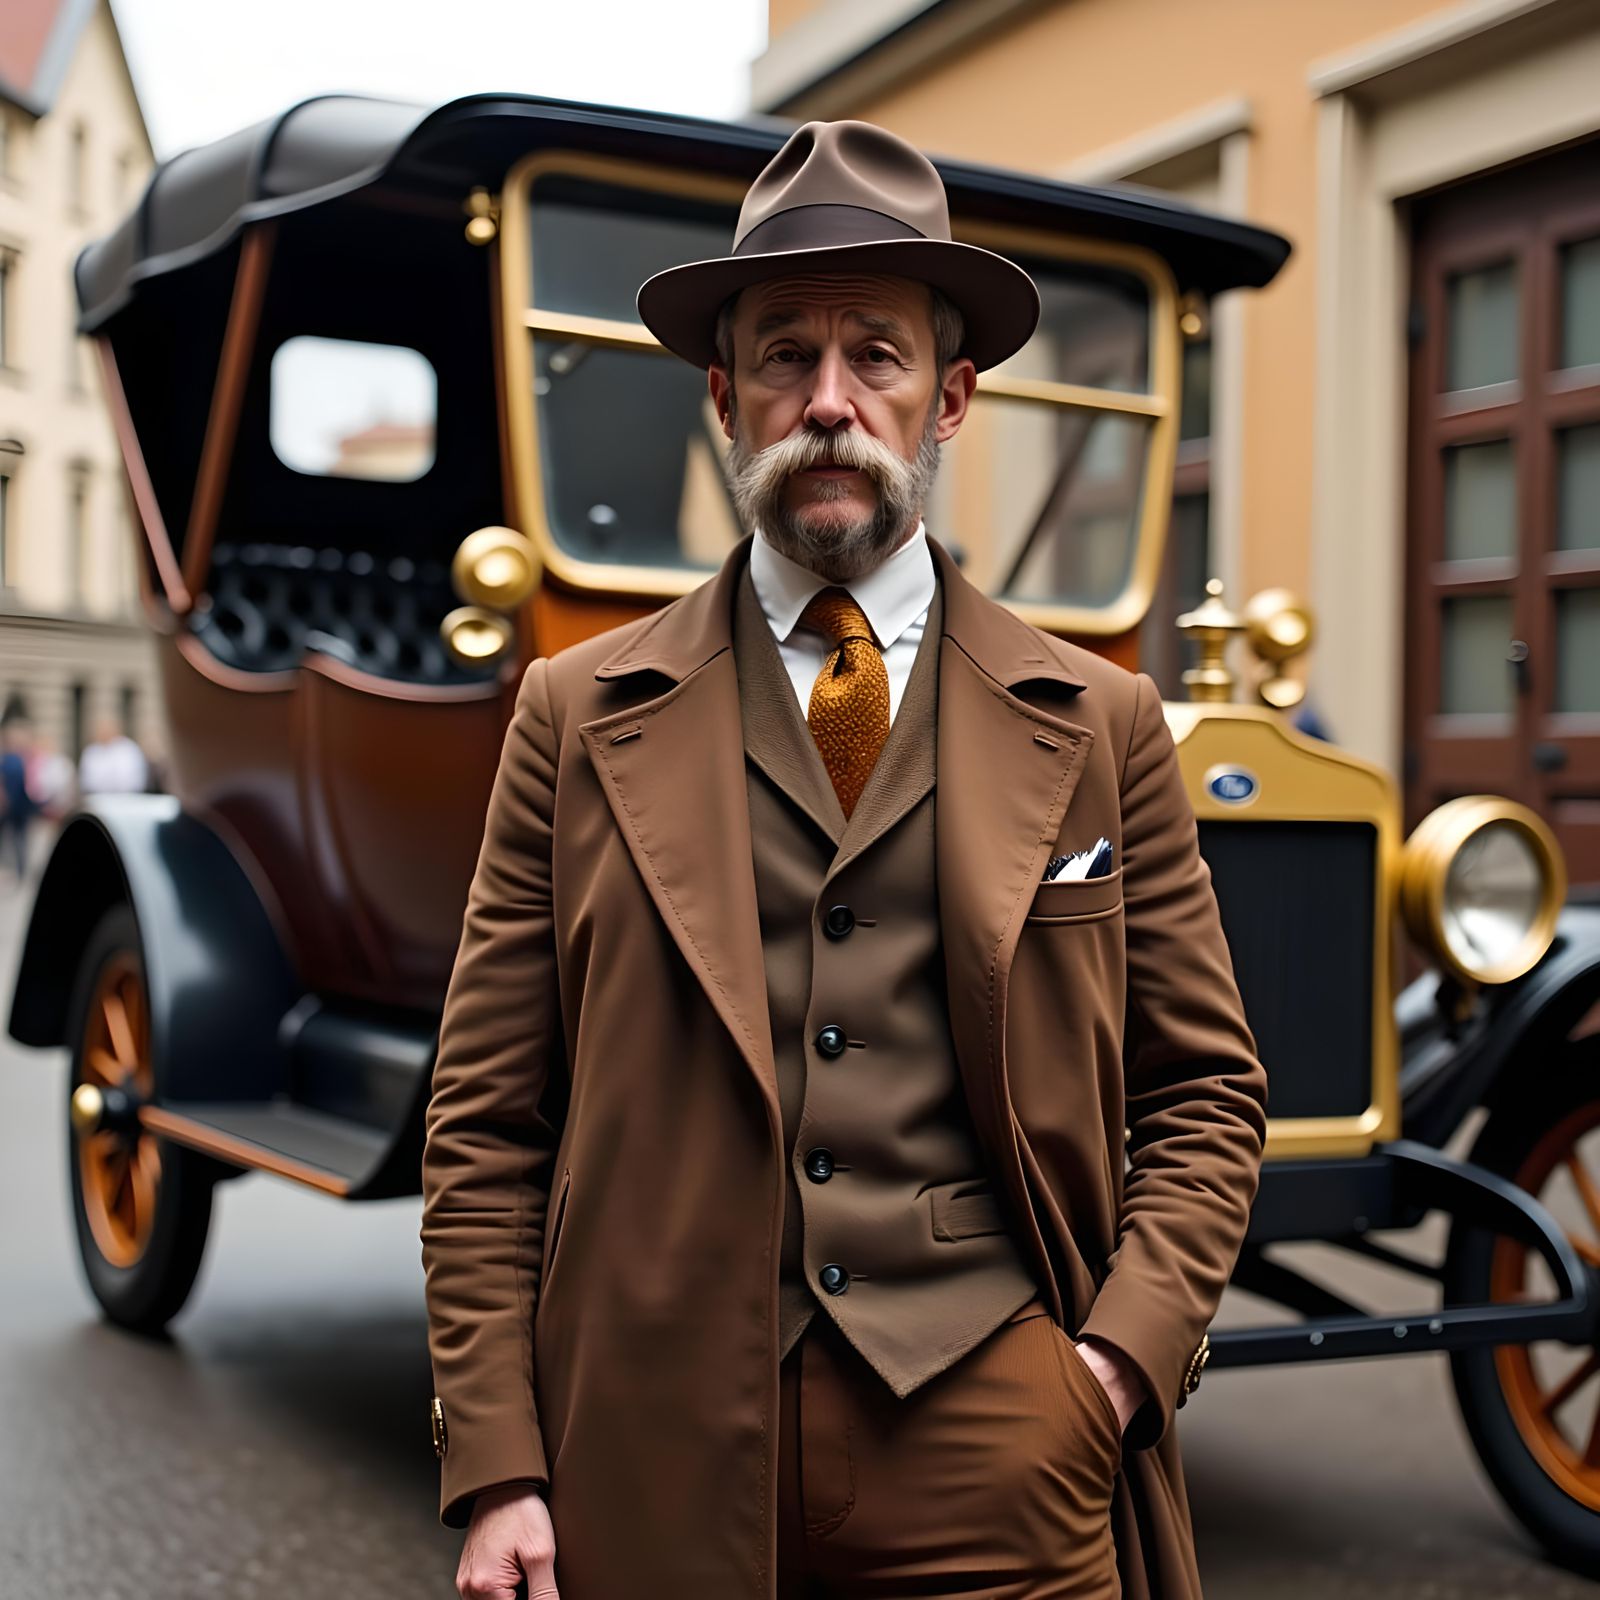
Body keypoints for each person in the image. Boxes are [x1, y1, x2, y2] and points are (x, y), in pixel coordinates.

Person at [420, 120, 1268, 1600]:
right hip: (654, 1446)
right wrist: (498, 1463)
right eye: (784, 358)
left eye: (874, 356)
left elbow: (1205, 1091)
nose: (829, 402)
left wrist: (1114, 1372)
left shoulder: (1104, 720)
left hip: (1004, 1455)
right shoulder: (573, 713)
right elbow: (488, 1121)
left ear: (948, 400)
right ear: (722, 399)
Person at [0, 719, 38, 880]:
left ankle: (18, 870)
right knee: (18, 840)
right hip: (17, 807)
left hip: (16, 808)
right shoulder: (17, 760)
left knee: (16, 840)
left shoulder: (16, 761)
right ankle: (19, 871)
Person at [77, 715, 149, 796]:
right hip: (98, 798)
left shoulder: (128, 749)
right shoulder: (91, 751)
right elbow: (87, 780)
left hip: (126, 797)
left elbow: (133, 779)